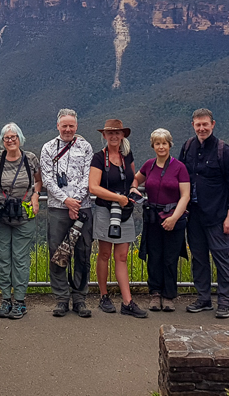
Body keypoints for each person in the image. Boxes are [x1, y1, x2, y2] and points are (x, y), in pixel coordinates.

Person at [178, 108, 229, 319]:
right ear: (193, 125)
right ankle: (203, 299)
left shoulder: (224, 150)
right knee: (199, 259)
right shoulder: (187, 147)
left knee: (222, 258)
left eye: (205, 124)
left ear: (213, 124)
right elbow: (180, 177)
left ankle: (224, 302)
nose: (202, 128)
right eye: (198, 125)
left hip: (217, 215)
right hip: (193, 215)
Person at [40, 108, 96, 319]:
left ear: (77, 126)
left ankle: (80, 298)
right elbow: (47, 179)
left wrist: (76, 203)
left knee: (83, 252)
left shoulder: (85, 147)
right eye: (64, 125)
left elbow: (88, 176)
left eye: (71, 125)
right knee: (57, 254)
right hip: (57, 208)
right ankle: (61, 298)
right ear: (58, 126)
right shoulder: (48, 148)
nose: (68, 129)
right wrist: (66, 201)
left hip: (83, 207)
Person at [88, 119, 147, 318]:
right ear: (104, 136)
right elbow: (93, 187)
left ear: (123, 136)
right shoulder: (98, 158)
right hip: (106, 210)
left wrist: (132, 190)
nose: (114, 136)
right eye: (110, 133)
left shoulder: (126, 155)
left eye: (117, 133)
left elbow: (134, 178)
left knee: (121, 257)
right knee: (104, 254)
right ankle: (104, 296)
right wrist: (118, 198)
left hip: (124, 211)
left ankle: (127, 301)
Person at [0, 122, 42, 320]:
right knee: (3, 258)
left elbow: (38, 180)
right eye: (7, 138)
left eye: (13, 137)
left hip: (24, 215)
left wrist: (35, 196)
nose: (10, 140)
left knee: (20, 259)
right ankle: (6, 300)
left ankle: (19, 301)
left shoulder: (30, 159)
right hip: (1, 214)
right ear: (2, 140)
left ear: (20, 139)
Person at [137, 128, 190, 313]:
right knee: (154, 256)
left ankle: (169, 295)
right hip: (153, 218)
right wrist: (133, 190)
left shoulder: (179, 167)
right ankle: (155, 293)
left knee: (170, 257)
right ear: (153, 146)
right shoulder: (148, 165)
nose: (161, 147)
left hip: (173, 217)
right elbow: (134, 181)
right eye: (157, 143)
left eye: (164, 143)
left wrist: (174, 218)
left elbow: (185, 196)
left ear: (169, 145)